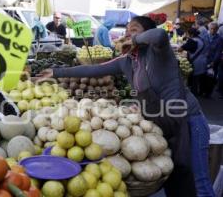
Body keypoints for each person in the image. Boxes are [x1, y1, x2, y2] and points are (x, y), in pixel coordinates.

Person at [38, 16, 215, 197]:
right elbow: (94, 69)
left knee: (198, 181)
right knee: (176, 179)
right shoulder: (127, 60)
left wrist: (135, 39)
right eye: (127, 30)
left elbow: (160, 35)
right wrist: (56, 72)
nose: (127, 34)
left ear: (145, 34)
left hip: (189, 120)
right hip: (166, 124)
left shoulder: (160, 52)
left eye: (134, 29)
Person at [179, 28, 208, 96]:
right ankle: (201, 92)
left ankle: (194, 94)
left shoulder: (192, 40)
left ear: (191, 34)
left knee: (195, 79)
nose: (187, 35)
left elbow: (180, 49)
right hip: (203, 60)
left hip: (196, 62)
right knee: (200, 78)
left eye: (187, 34)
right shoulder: (200, 39)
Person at [204, 22, 223, 97]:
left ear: (217, 29)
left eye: (214, 29)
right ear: (209, 29)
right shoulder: (205, 36)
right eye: (211, 29)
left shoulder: (220, 39)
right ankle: (203, 90)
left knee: (211, 77)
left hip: (213, 61)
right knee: (204, 76)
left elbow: (218, 52)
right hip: (204, 60)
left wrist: (213, 62)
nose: (212, 30)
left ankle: (208, 92)